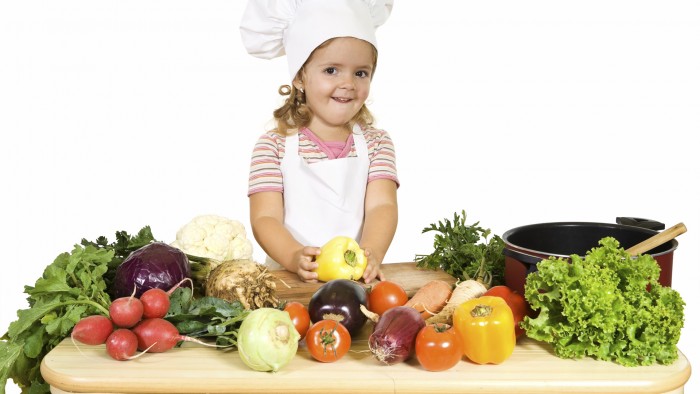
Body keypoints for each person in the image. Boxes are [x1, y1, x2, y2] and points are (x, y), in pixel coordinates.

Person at [240, 0, 398, 283]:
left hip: (354, 282)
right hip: (290, 282)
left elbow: (381, 207)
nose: (348, 83)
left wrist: (371, 252)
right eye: (331, 70)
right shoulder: (272, 147)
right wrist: (292, 256)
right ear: (300, 76)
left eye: (360, 72)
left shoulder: (377, 144)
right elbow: (265, 218)